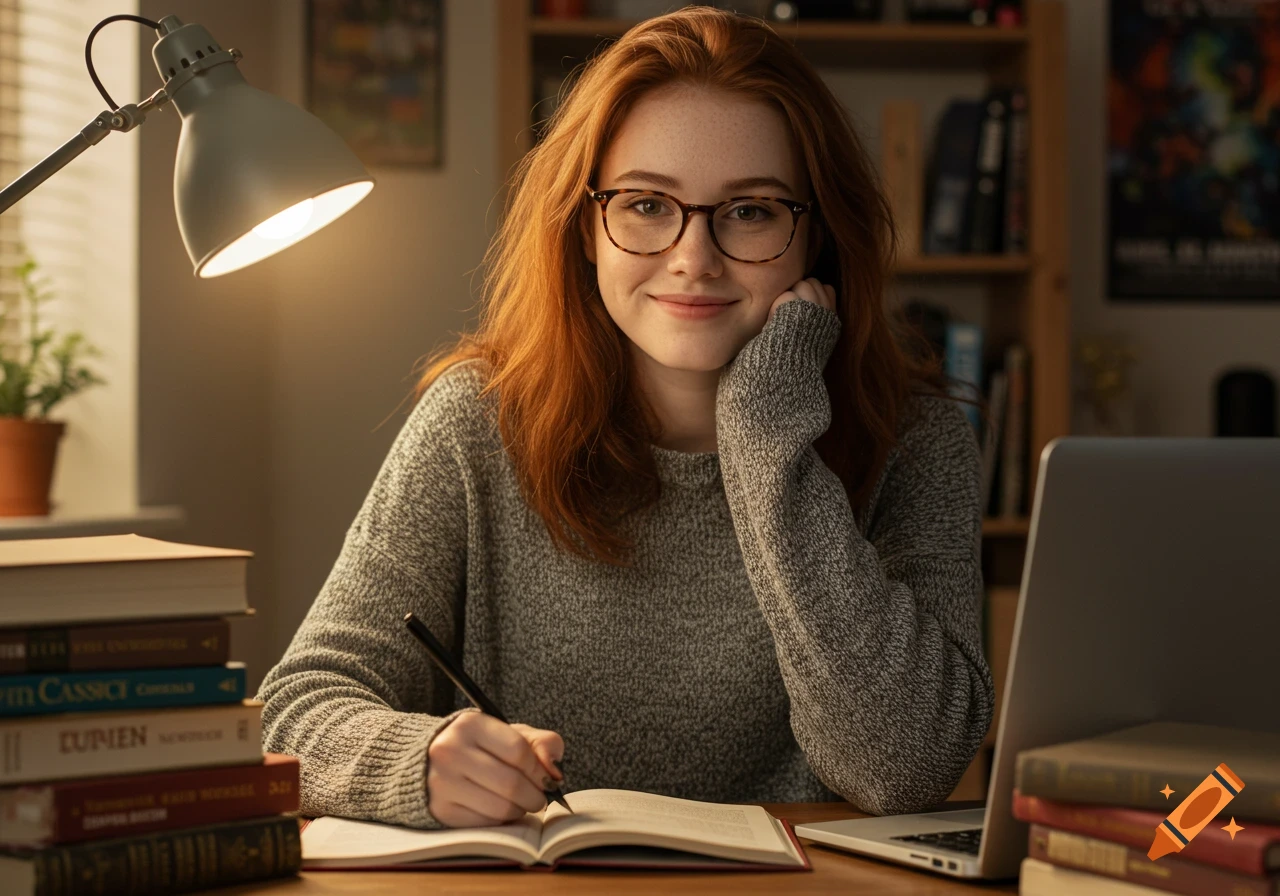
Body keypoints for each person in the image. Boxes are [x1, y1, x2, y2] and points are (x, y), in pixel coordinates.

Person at [258, 6, 994, 831]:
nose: (693, 258)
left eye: (751, 210)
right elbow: (296, 711)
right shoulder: (476, 421)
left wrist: (765, 442)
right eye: (647, 204)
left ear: (815, 237)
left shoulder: (917, 441)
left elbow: (907, 769)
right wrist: (416, 760)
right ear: (586, 227)